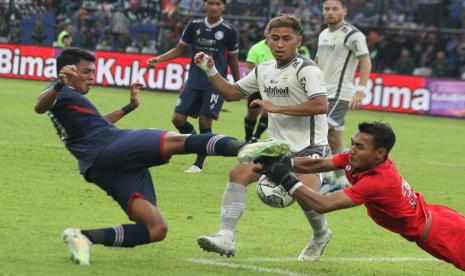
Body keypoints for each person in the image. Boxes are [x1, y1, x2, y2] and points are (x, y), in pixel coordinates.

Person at [33, 48, 253, 265]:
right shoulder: (60, 91)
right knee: (177, 141)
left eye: (93, 71)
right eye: (87, 72)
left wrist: (130, 106)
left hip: (100, 166)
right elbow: (39, 106)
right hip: (110, 148)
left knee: (156, 229)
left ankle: (84, 237)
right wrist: (60, 84)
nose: (92, 77)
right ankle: (244, 147)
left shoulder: (69, 99)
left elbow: (98, 123)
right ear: (67, 70)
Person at [193, 14, 332, 261]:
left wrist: (277, 108)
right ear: (267, 40)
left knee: (308, 199)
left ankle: (321, 235)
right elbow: (232, 93)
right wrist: (211, 70)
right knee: (238, 173)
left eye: (286, 39)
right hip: (276, 145)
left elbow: (320, 105)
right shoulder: (264, 69)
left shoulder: (307, 69)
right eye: (274, 38)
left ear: (298, 40)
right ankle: (225, 237)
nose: (280, 44)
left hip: (310, 146)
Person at [253, 121, 465, 271]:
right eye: (353, 143)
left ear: (379, 153)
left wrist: (286, 178)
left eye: (359, 146)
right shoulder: (361, 158)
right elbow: (319, 163)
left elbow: (322, 204)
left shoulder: (378, 181)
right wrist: (287, 163)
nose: (351, 150)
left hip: (442, 233)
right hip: (438, 216)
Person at [146, 0, 240, 173]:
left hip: (215, 82)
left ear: (223, 7)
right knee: (178, 119)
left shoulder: (229, 31)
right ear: (204, 5)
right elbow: (178, 50)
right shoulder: (194, 25)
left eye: (217, 3)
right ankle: (201, 143)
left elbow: (233, 60)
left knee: (205, 119)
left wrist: (238, 86)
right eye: (210, 3)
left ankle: (198, 163)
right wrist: (158, 59)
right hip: (194, 81)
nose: (213, 6)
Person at [315, 0, 372, 187]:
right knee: (334, 140)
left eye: (335, 9)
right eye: (327, 9)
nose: (330, 12)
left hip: (338, 94)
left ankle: (326, 179)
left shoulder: (353, 34)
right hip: (322, 92)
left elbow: (365, 61)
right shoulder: (323, 34)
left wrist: (360, 91)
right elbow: (318, 62)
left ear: (344, 11)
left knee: (319, 133)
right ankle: (342, 180)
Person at [243, 30, 274, 143]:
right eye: (268, 31)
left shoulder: (281, 49)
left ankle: (256, 137)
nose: (268, 34)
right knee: (252, 115)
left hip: (274, 89)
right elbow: (248, 69)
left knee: (268, 113)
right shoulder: (256, 48)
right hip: (257, 88)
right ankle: (247, 138)